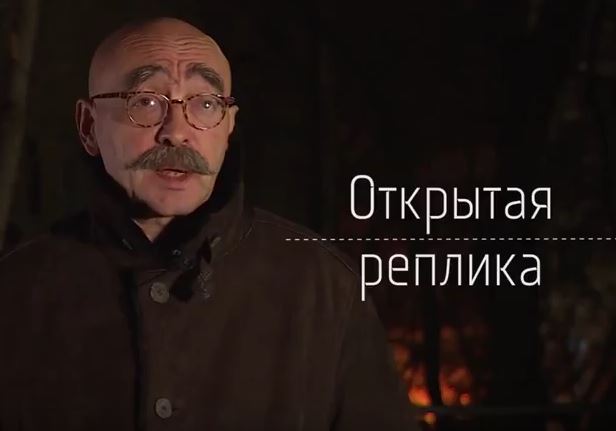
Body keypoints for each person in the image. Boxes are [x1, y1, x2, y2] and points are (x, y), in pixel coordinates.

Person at [0, 17, 418, 430]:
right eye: (146, 101)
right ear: (89, 126)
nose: (177, 132)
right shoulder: (18, 290)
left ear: (229, 126)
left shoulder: (322, 287)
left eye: (205, 104)